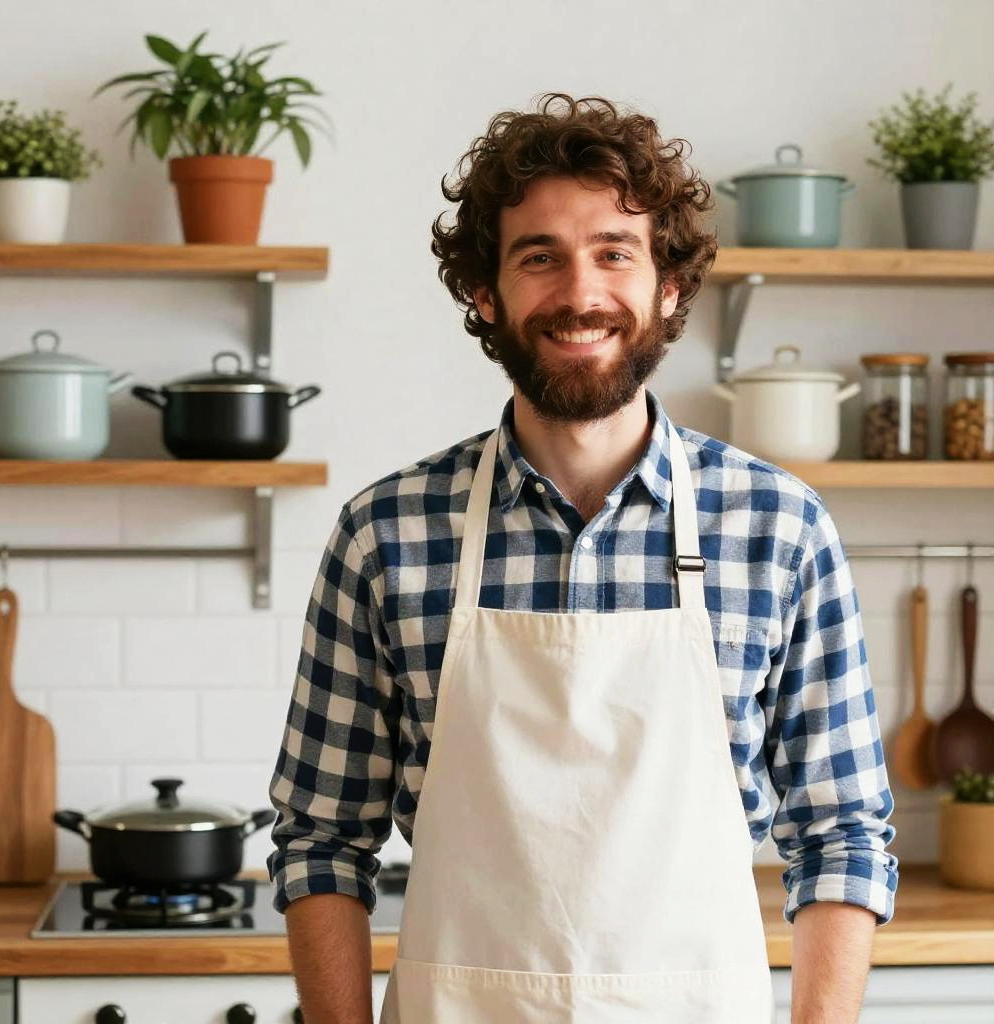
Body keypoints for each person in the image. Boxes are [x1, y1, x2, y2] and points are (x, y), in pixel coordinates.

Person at [268, 93, 898, 1024]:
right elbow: (321, 838)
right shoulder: (387, 534)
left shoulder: (778, 529)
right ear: (486, 292)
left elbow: (842, 834)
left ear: (668, 287)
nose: (580, 292)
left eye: (614, 251)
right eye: (539, 257)